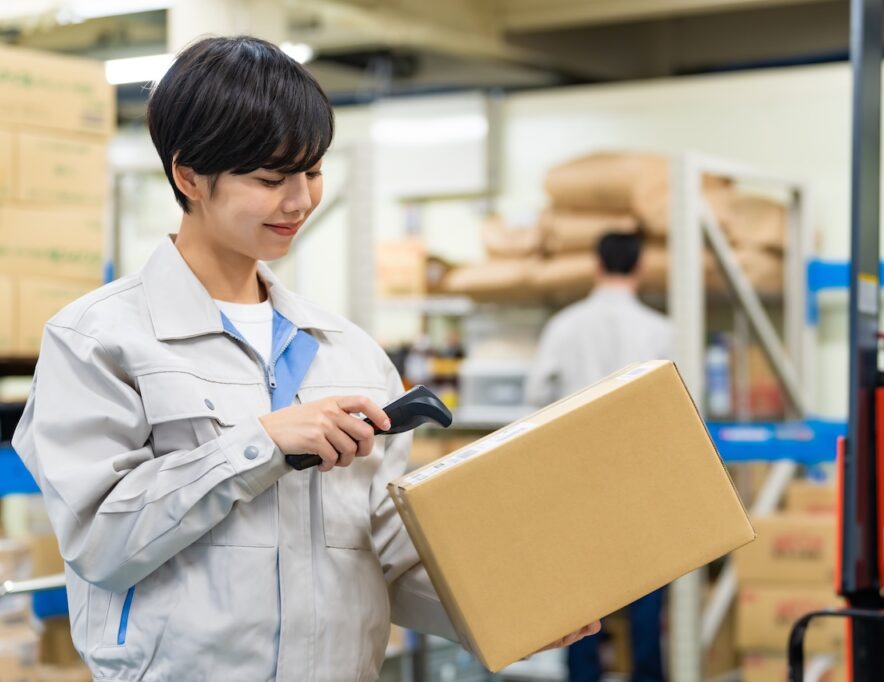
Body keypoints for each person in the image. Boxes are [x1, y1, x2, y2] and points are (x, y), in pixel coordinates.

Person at [13, 36, 597, 681]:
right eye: (270, 179)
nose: (299, 201)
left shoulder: (347, 352)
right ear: (188, 177)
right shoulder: (100, 340)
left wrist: (511, 611)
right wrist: (258, 445)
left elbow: (384, 557)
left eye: (312, 172)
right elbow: (101, 541)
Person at [525, 230, 671, 682]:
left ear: (596, 264)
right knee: (647, 597)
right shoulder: (663, 330)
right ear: (641, 268)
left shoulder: (565, 326)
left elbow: (535, 394)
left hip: (576, 476)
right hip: (641, 476)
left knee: (581, 605)